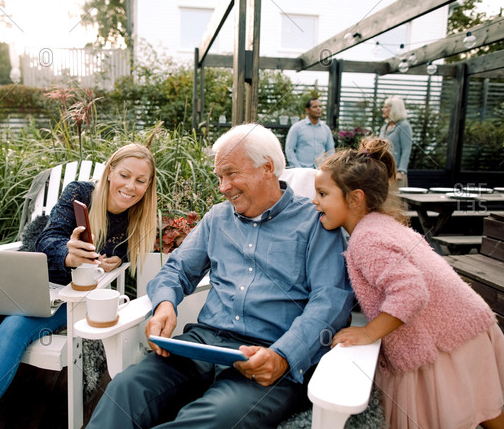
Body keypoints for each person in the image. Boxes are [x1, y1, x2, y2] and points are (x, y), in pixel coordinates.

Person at [86, 124, 353, 429]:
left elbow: (329, 303)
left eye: (231, 174)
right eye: (220, 177)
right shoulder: (217, 218)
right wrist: (164, 306)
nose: (223, 187)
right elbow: (176, 270)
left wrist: (283, 356)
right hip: (202, 345)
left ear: (267, 168)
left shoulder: (316, 224)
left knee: (211, 420)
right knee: (125, 388)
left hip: (266, 355)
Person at [0, 143, 157, 429]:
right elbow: (48, 237)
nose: (131, 186)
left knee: (12, 328)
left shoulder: (137, 220)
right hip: (29, 279)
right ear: (109, 173)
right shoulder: (80, 193)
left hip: (68, 297)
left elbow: (127, 253)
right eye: (124, 175)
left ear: (148, 186)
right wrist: (67, 254)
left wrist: (116, 260)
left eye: (141, 181)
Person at [313, 137, 504, 429]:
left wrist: (369, 333)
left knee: (476, 411)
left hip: (449, 338)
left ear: (355, 197)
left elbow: (411, 293)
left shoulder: (367, 239)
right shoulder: (378, 225)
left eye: (323, 194)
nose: (315, 201)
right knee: (482, 411)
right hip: (456, 326)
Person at [285, 98, 335, 168]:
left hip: (320, 170)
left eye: (320, 106)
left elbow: (330, 151)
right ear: (307, 110)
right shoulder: (297, 127)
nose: (318, 109)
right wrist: (298, 168)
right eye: (315, 107)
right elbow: (289, 149)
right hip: (302, 170)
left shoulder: (326, 129)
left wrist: (326, 167)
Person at [379, 96, 412, 187]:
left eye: (386, 107)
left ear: (394, 109)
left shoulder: (404, 126)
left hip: (396, 171)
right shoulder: (384, 127)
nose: (383, 109)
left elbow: (406, 149)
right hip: (383, 170)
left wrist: (401, 171)